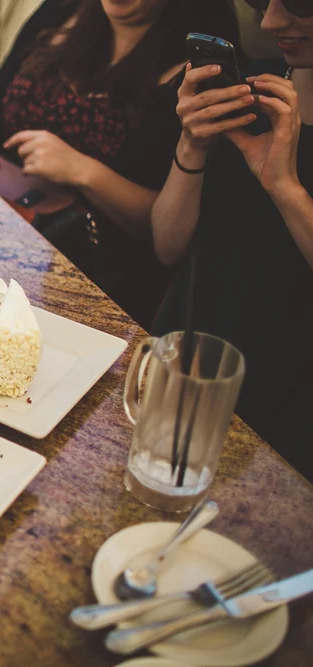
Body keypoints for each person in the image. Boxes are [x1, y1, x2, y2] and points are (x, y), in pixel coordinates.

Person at [0, 0, 241, 326]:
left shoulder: (198, 74)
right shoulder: (63, 11)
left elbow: (164, 234)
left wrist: (81, 171)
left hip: (87, 279)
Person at [151, 0, 313, 480]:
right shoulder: (250, 89)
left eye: (299, 7)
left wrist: (284, 186)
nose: (268, 23)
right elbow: (168, 247)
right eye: (262, 3)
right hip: (184, 363)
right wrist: (191, 145)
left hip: (286, 404)